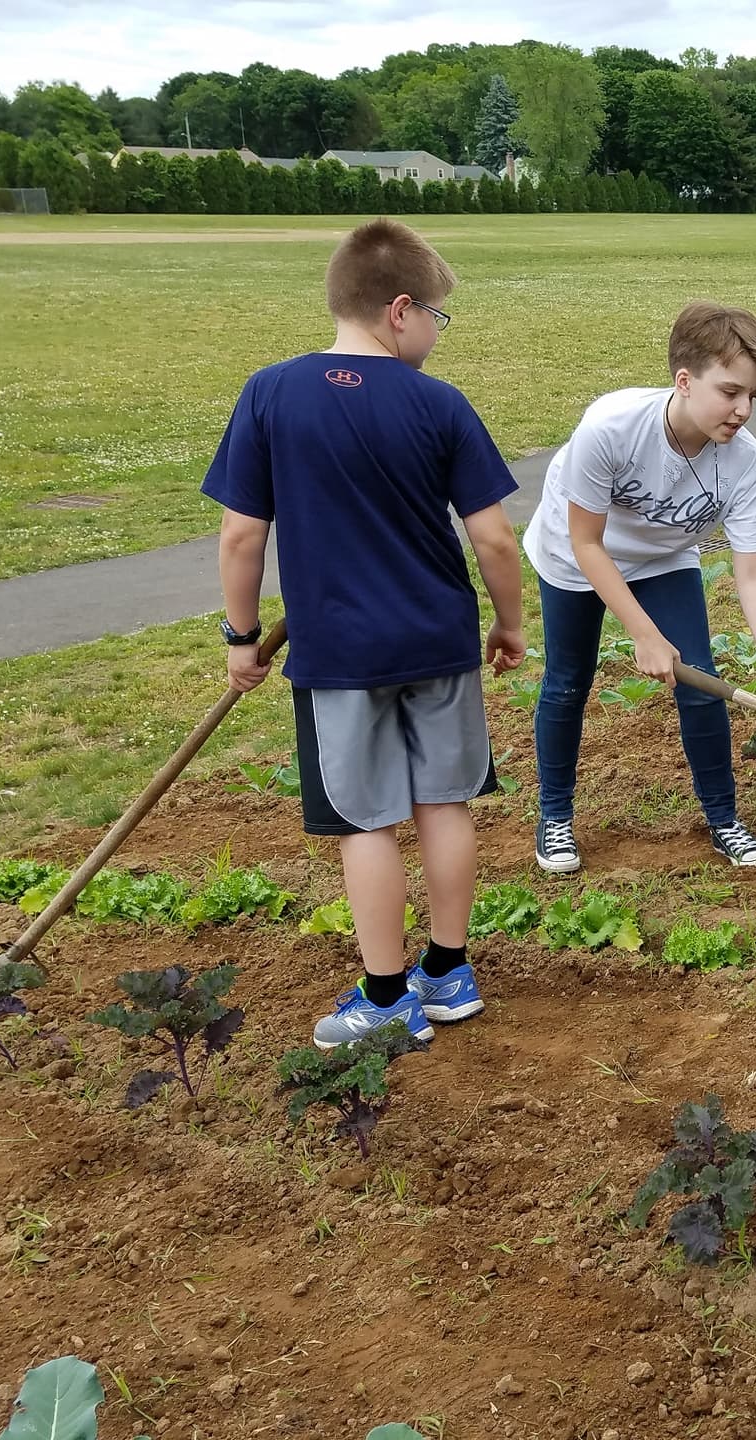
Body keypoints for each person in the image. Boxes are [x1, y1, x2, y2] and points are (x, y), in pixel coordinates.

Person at [204, 218, 526, 1049]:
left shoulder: (270, 393)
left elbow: (242, 535)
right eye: (438, 319)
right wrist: (509, 623)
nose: (436, 335)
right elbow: (493, 538)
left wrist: (240, 636)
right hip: (438, 642)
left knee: (364, 822)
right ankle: (445, 973)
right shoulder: (440, 404)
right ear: (400, 309)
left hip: (338, 654)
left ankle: (388, 1000)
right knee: (443, 804)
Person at [521, 301, 756, 875]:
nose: (743, 410)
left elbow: (752, 572)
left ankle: (723, 819)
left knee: (701, 680)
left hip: (664, 556)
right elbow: (587, 543)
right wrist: (644, 635)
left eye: (752, 396)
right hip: (575, 556)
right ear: (684, 380)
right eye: (729, 392)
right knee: (568, 681)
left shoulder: (746, 463)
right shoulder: (611, 429)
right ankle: (554, 817)